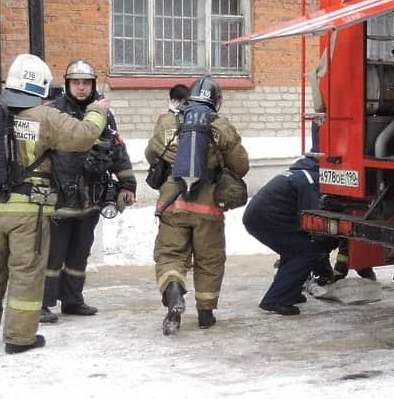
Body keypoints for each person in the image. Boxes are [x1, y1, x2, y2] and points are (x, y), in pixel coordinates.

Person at [0, 54, 108, 354]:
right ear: (41, 85)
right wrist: (97, 112)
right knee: (26, 273)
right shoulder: (46, 117)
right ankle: (20, 339)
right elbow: (84, 137)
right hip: (28, 213)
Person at [146, 75, 249, 335]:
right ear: (216, 101)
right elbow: (241, 165)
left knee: (170, 254)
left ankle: (173, 292)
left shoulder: (168, 121)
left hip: (173, 202)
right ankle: (205, 313)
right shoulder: (221, 126)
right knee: (209, 259)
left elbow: (150, 154)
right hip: (208, 206)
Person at [40, 59, 136, 323]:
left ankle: (72, 300)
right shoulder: (54, 112)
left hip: (92, 196)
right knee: (53, 254)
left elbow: (117, 149)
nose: (81, 88)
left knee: (80, 252)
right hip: (61, 196)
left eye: (85, 83)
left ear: (93, 84)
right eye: (75, 82)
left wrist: (127, 184)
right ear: (67, 84)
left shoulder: (104, 113)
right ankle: (44, 304)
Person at [243, 123, 331, 316]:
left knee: (293, 249)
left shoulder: (300, 171)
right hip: (265, 219)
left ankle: (289, 291)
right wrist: (325, 247)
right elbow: (312, 216)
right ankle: (276, 299)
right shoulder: (310, 179)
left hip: (260, 217)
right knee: (307, 250)